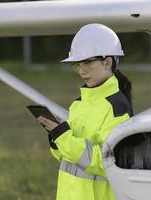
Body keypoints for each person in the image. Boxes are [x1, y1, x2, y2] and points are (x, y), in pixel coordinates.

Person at [38, 23, 133, 200]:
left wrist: (63, 137)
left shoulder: (118, 109)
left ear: (108, 62)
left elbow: (106, 162)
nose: (81, 70)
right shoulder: (79, 104)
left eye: (87, 62)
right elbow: (67, 157)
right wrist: (55, 138)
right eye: (77, 64)